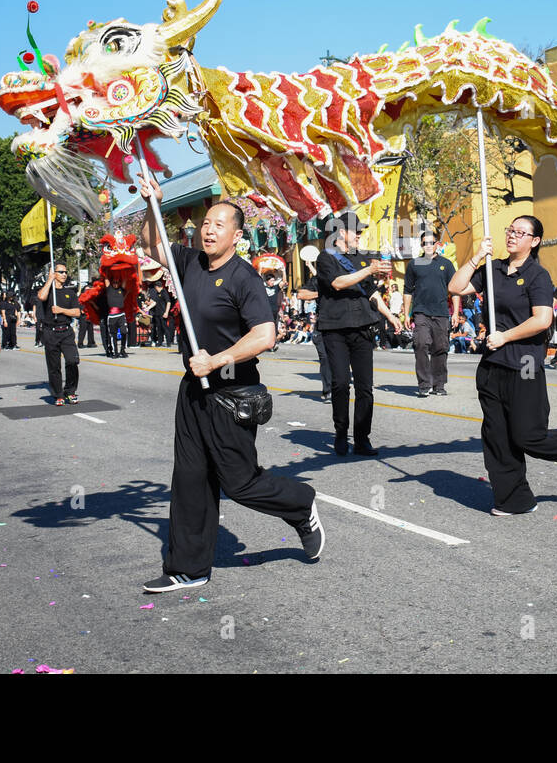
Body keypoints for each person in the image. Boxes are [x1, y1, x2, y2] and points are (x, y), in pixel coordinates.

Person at [136, 178, 322, 593]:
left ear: (237, 236)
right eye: (205, 223)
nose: (208, 229)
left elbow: (265, 335)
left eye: (219, 225)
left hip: (231, 392)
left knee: (239, 483)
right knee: (189, 478)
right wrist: (153, 204)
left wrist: (217, 359)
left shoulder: (244, 279)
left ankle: (300, 503)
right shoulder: (189, 263)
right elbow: (152, 246)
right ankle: (188, 568)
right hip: (193, 391)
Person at [447, 215, 557, 515]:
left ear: (535, 241)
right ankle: (515, 500)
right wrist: (477, 256)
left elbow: (543, 319)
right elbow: (455, 287)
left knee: (528, 435)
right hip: (492, 364)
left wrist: (505, 336)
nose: (512, 235)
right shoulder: (493, 268)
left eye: (520, 232)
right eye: (510, 230)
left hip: (525, 362)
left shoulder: (538, 275)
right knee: (497, 435)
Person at [315, 211, 402, 456]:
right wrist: (369, 270)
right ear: (342, 232)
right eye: (357, 231)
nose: (360, 235)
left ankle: (362, 438)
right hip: (335, 329)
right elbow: (337, 283)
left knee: (365, 387)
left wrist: (390, 316)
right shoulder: (326, 257)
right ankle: (341, 433)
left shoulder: (362, 258)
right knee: (341, 383)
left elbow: (372, 293)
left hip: (363, 328)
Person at [402, 230, 460, 397]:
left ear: (437, 244)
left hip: (441, 313)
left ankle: (439, 384)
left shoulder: (446, 264)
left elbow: (455, 290)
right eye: (424, 243)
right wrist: (406, 314)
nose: (427, 246)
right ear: (421, 245)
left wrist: (455, 313)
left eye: (430, 242)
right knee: (420, 344)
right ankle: (424, 384)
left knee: (440, 348)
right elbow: (407, 290)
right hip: (421, 312)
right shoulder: (414, 264)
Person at [36, 264, 81, 406]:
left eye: (65, 272)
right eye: (61, 272)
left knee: (72, 361)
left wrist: (61, 310)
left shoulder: (70, 293)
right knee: (54, 367)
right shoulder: (48, 292)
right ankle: (58, 394)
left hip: (66, 332)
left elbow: (77, 312)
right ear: (54, 273)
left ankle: (70, 391)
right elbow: (41, 297)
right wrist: (49, 280)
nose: (64, 274)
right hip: (50, 332)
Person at [296, 249, 332, 401]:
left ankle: (340, 388)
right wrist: (323, 293)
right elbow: (301, 294)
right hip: (322, 326)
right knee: (325, 358)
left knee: (339, 360)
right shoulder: (318, 280)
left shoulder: (345, 277)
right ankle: (328, 390)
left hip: (343, 325)